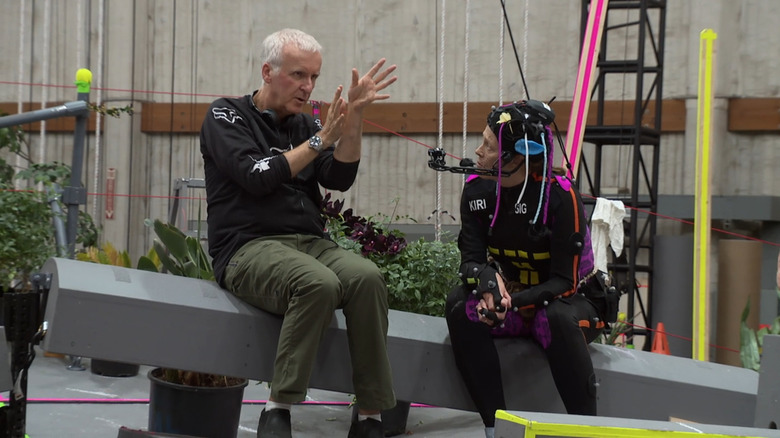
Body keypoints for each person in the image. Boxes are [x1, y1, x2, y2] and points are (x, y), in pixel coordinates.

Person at [200, 28, 398, 438]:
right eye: (298, 75)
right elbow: (256, 177)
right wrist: (320, 138)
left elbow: (338, 177)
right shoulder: (225, 115)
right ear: (267, 72)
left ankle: (370, 417)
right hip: (246, 248)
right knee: (317, 284)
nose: (307, 87)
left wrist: (354, 118)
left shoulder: (305, 124)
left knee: (367, 278)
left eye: (314, 78)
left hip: (308, 243)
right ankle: (278, 410)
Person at [445, 100, 615, 438]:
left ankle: (585, 431)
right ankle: (495, 428)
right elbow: (470, 260)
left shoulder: (560, 197)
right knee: (460, 306)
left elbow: (564, 282)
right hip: (513, 299)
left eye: (489, 146)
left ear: (518, 156)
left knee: (552, 318)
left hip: (571, 301)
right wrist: (485, 280)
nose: (478, 152)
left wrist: (508, 302)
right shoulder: (477, 190)